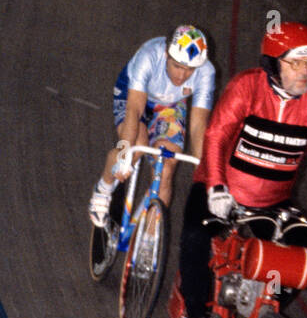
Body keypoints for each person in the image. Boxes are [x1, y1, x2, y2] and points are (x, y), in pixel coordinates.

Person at [177, 21, 307, 318]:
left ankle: (262, 316)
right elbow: (217, 136)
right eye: (295, 62)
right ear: (272, 64)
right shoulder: (246, 87)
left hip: (273, 203)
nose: (304, 71)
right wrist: (217, 188)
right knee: (194, 236)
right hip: (220, 188)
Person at [88, 26, 214, 226]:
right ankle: (103, 189)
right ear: (166, 54)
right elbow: (134, 110)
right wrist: (123, 155)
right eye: (177, 66)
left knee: (165, 167)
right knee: (133, 149)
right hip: (135, 96)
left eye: (190, 70)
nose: (182, 76)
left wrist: (205, 172)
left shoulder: (206, 72)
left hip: (169, 105)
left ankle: (150, 239)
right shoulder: (149, 56)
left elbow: (199, 124)